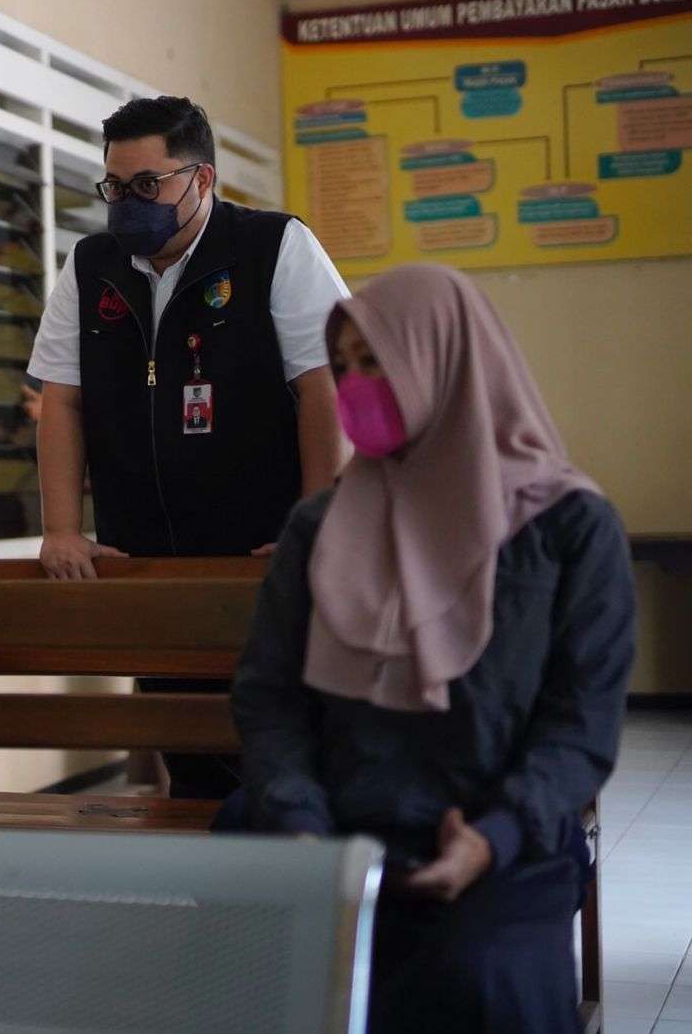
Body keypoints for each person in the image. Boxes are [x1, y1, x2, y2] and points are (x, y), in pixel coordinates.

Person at [230, 264, 634, 1033]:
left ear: (445, 357)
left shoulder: (571, 529)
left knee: (479, 981)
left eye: (374, 360)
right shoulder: (320, 527)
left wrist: (494, 837)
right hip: (329, 841)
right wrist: (303, 825)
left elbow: (581, 726)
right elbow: (269, 697)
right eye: (342, 367)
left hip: (502, 849)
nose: (354, 387)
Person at [29, 96, 349, 577]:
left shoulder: (274, 246)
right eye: (115, 187)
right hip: (132, 555)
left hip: (264, 551)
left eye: (146, 185)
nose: (128, 201)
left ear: (202, 179)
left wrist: (316, 523)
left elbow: (323, 387)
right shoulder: (92, 265)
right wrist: (61, 531)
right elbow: (61, 400)